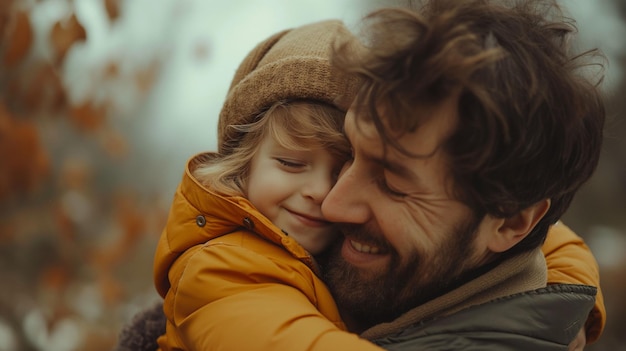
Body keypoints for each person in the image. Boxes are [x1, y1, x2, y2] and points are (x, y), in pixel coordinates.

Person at [115, 0, 607, 350]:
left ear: (512, 224)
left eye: (392, 181)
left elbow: (559, 246)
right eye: (356, 157)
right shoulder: (232, 269)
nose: (331, 202)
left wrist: (568, 307)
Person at [152, 20, 385, 350]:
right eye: (291, 163)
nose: (319, 191)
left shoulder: (339, 270)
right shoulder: (220, 268)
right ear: (242, 167)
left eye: (340, 173)